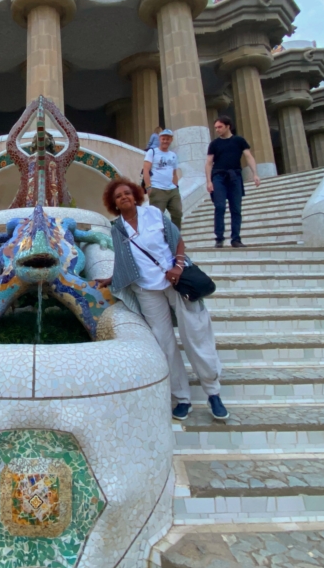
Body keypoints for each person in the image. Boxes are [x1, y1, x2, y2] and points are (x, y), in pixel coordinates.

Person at [97, 178, 229, 422]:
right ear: (113, 203)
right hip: (146, 289)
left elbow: (177, 240)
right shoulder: (117, 228)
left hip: (175, 282)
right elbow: (124, 260)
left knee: (196, 334)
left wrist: (178, 267)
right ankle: (182, 397)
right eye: (118, 196)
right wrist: (111, 278)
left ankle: (213, 391)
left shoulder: (153, 214)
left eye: (127, 193)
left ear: (135, 195)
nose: (124, 197)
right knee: (164, 342)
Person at [205, 115, 260, 248]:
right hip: (218, 176)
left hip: (235, 176)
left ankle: (236, 239)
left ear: (228, 126)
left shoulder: (239, 140)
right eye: (216, 127)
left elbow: (248, 156)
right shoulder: (214, 144)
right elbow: (208, 163)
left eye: (220, 127)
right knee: (220, 207)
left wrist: (255, 174)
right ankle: (219, 238)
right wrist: (209, 181)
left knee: (236, 208)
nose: (217, 130)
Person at [143, 129, 182, 230]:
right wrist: (148, 187)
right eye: (163, 138)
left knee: (178, 213)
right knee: (156, 218)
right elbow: (146, 170)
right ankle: (158, 241)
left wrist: (176, 187)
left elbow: (174, 173)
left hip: (172, 189)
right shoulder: (152, 152)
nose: (165, 141)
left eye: (168, 139)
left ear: (171, 140)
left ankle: (176, 239)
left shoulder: (173, 155)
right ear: (160, 139)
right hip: (157, 188)